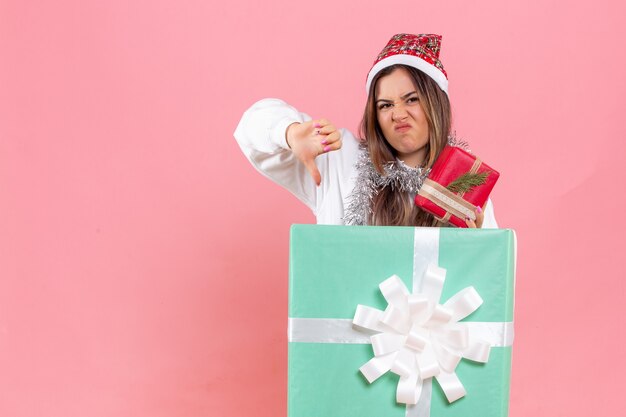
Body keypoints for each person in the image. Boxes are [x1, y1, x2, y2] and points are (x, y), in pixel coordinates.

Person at [234, 33, 497, 228]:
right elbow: (250, 127)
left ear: (436, 104)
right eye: (385, 105)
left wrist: (475, 246)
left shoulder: (463, 184)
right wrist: (289, 133)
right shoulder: (340, 160)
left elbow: (490, 278)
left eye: (412, 99)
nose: (398, 114)